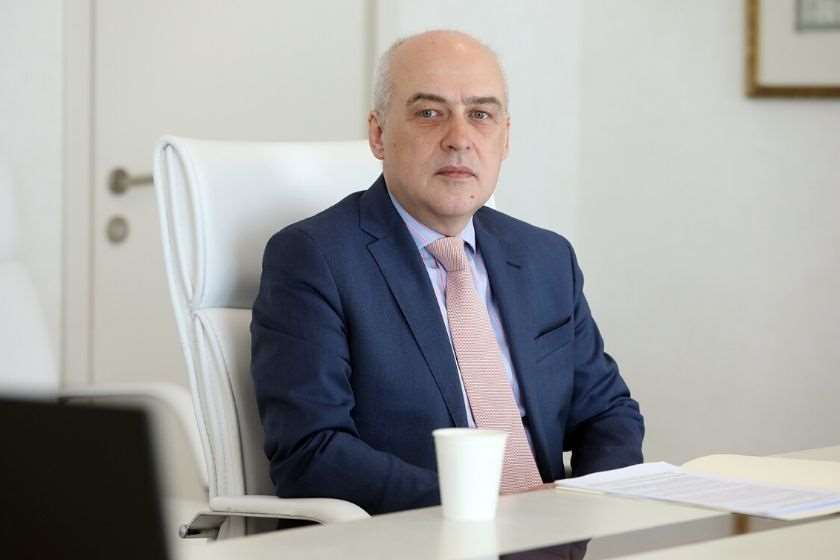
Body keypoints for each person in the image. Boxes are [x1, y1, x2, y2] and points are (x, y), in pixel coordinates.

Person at [251, 30, 644, 515]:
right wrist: (485, 509)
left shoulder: (546, 258)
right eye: (429, 113)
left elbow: (608, 414)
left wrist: (581, 508)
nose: (459, 139)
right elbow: (311, 452)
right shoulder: (315, 257)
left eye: (480, 115)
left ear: (505, 137)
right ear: (378, 134)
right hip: (413, 536)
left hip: (553, 536)